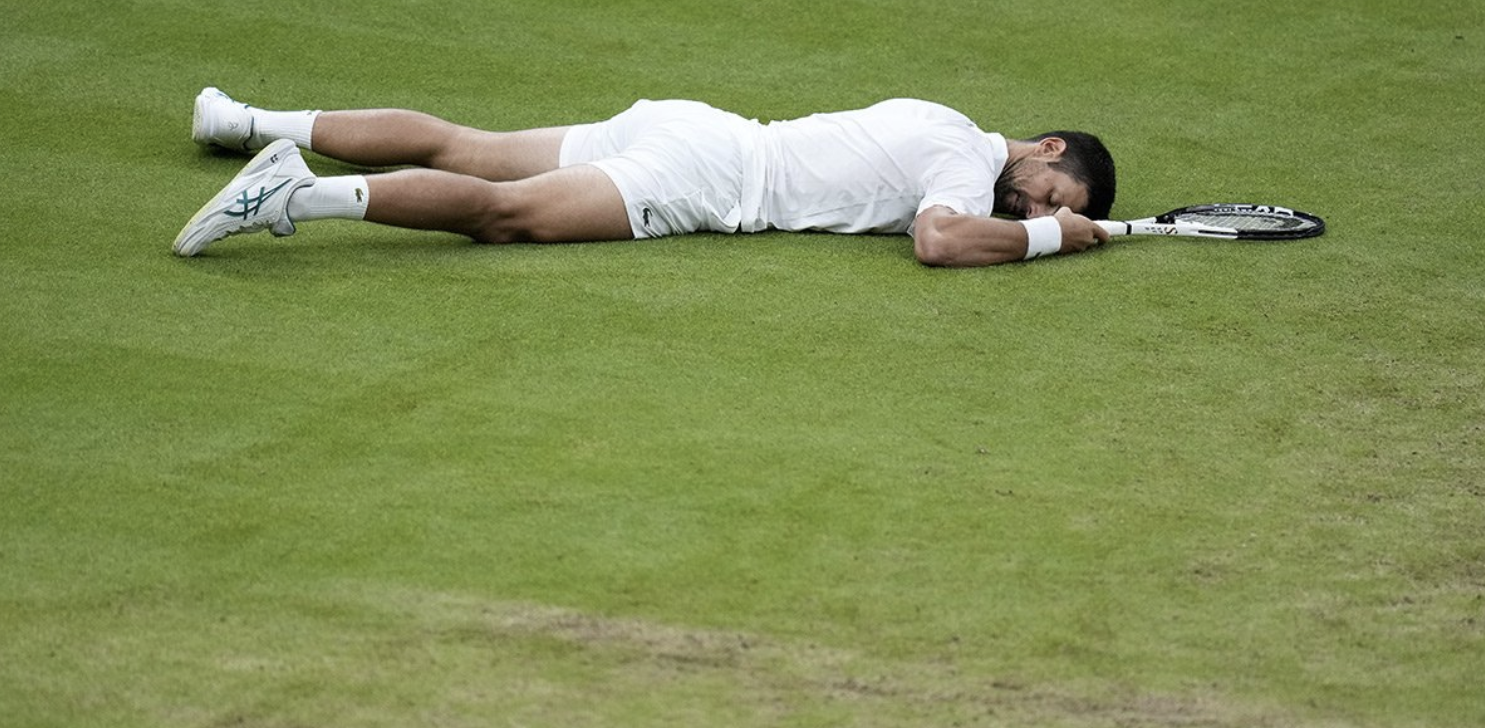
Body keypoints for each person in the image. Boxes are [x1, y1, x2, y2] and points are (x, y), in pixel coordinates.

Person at [174, 87, 1116, 267]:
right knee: (504, 217)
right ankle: (292, 189)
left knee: (465, 142)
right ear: (1041, 149)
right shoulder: (961, 164)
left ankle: (241, 118)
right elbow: (939, 240)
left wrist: (1046, 225)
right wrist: (1052, 239)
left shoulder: (941, 119)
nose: (1026, 207)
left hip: (686, 121)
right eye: (1046, 192)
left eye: (1044, 211)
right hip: (703, 175)